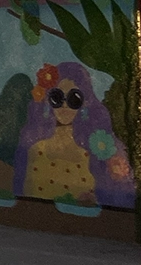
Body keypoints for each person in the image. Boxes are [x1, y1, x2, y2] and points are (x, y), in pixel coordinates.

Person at [14, 61, 132, 207]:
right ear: (47, 100)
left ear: (84, 103)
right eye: (57, 98)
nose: (64, 105)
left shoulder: (96, 148)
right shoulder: (32, 146)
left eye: (73, 99)